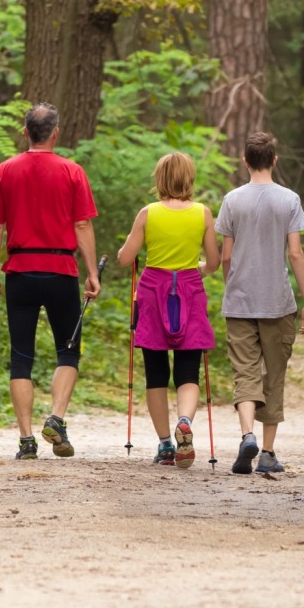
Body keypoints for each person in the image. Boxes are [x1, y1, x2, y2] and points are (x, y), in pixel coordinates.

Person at [0, 103, 101, 460]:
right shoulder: (72, 171)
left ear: (25, 131)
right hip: (62, 270)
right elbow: (82, 225)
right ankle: (57, 419)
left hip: (19, 272)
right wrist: (92, 272)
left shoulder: (5, 171)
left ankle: (26, 440)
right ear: (55, 132)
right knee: (68, 351)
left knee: (21, 358)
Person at [214, 131, 304, 475]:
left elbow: (226, 256)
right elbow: (296, 253)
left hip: (240, 302)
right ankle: (267, 452)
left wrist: (233, 286)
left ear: (245, 161)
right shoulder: (289, 199)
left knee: (245, 373)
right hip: (278, 303)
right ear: (274, 160)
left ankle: (246, 435)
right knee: (274, 375)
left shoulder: (232, 200)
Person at [113, 152, 219, 469]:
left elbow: (123, 258)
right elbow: (213, 263)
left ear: (159, 180)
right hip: (189, 289)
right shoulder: (203, 214)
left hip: (152, 290)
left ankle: (164, 445)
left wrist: (126, 249)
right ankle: (184, 420)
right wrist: (194, 269)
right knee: (188, 369)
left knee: (156, 371)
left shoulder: (148, 214)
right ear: (189, 179)